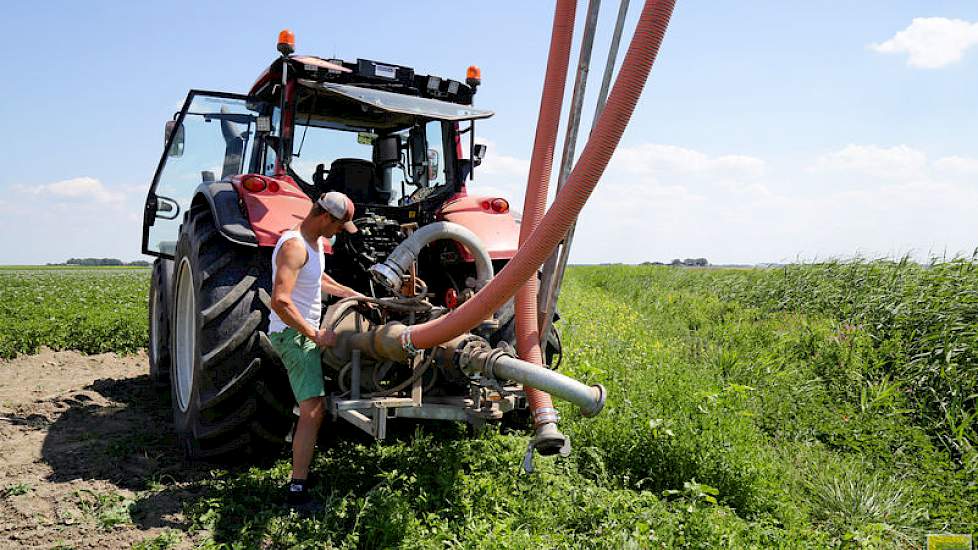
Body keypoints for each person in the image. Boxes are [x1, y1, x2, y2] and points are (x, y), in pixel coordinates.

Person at [267, 191, 361, 510]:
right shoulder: (294, 245)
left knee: (313, 407)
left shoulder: (314, 243)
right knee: (313, 410)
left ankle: (301, 472)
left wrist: (347, 292)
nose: (338, 232)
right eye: (338, 226)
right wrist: (314, 334)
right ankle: (296, 489)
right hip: (291, 335)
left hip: (303, 334)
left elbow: (315, 276)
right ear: (324, 217)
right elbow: (280, 300)